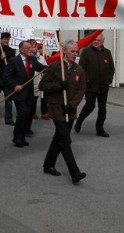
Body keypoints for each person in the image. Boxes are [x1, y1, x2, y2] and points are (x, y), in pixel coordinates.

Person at [39, 40, 87, 185]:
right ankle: (75, 173)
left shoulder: (79, 69)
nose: (75, 54)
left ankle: (48, 165)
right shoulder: (54, 67)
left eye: (77, 51)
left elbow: (81, 89)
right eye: (72, 51)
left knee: (59, 138)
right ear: (65, 51)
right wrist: (59, 85)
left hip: (70, 109)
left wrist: (73, 105)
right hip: (57, 108)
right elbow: (42, 86)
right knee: (65, 140)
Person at [4, 40, 46, 147]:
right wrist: (14, 85)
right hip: (19, 93)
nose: (31, 49)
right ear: (22, 50)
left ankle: (22, 137)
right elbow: (7, 77)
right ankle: (16, 137)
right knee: (23, 114)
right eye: (29, 48)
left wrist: (55, 64)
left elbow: (42, 68)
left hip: (29, 93)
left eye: (32, 47)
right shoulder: (14, 61)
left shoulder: (32, 60)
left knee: (27, 116)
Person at [74, 33, 115, 137]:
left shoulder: (107, 52)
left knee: (102, 108)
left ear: (102, 42)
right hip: (91, 86)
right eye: (94, 40)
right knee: (90, 106)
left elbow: (111, 68)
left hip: (103, 86)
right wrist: (86, 80)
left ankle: (100, 129)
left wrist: (108, 80)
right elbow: (81, 68)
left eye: (98, 40)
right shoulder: (86, 52)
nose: (96, 42)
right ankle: (79, 120)